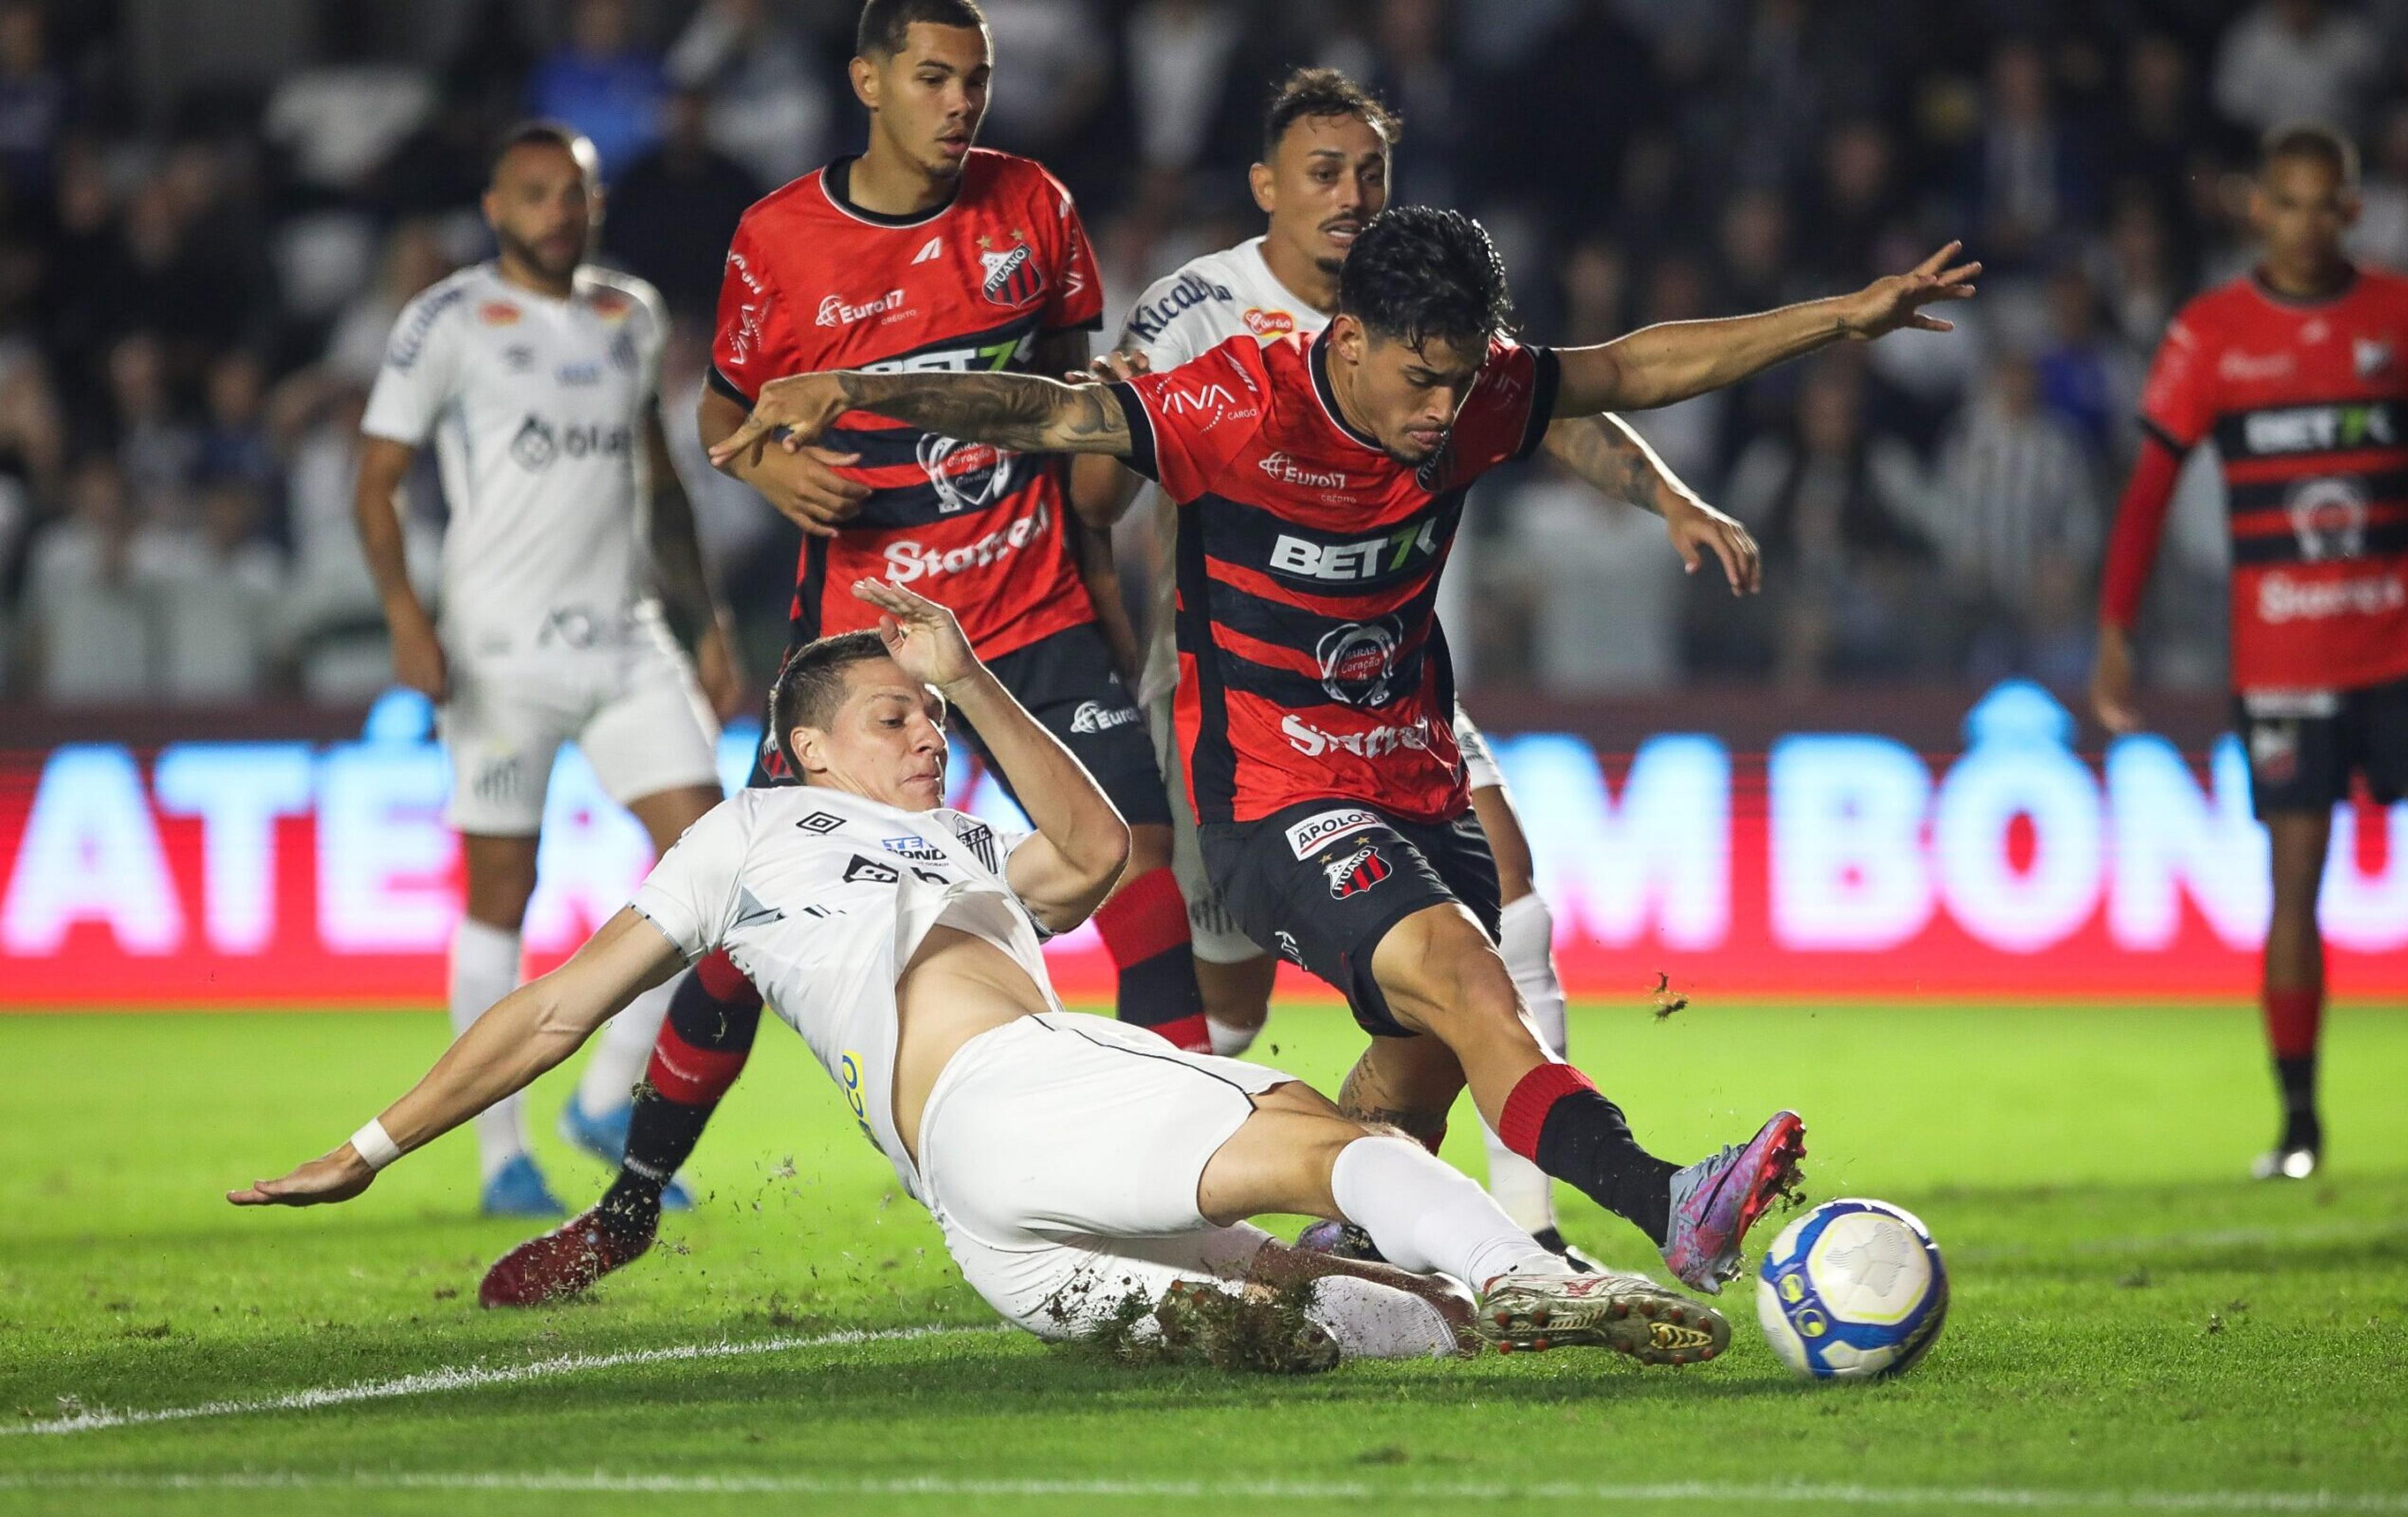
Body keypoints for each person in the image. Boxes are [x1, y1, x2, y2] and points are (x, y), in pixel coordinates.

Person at [709, 206, 1983, 1293]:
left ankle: (1341, 1241)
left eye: (1461, 380)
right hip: (1273, 797)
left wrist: (1845, 315)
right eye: (1420, 380)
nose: (1443, 411)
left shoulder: (1474, 393)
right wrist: (860, 391)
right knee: (1479, 986)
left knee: (1421, 1073)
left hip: (1414, 780)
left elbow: (1635, 368)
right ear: (1351, 341)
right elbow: (1044, 414)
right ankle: (1669, 1204)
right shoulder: (1230, 407)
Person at [228, 582, 1732, 1372]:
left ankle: (1376, 1312)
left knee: (1335, 1299)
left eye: (922, 721)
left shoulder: (953, 843)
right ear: (806, 746)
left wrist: (971, 683)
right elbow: (558, 1011)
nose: (921, 738)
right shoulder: (745, 831)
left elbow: (1088, 848)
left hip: (993, 1227)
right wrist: (374, 1146)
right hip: (1019, 1093)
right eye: (890, 718)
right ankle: (1546, 1273)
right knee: (1349, 1148)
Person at [487, 0, 1210, 1295]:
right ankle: (632, 1203)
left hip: (1030, 601)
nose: (961, 102)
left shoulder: (1032, 207)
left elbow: (1059, 401)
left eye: (976, 79)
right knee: (741, 935)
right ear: (868, 80)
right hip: (864, 638)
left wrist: (1105, 566)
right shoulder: (780, 238)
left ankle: (1186, 1171)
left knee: (1138, 864)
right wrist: (767, 473)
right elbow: (721, 403)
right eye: (934, 77)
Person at [1067, 68, 1760, 1267]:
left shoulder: (1427, 309)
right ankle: (1145, 1202)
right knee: (1241, 1003)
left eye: (1370, 173)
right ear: (1267, 186)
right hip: (1244, 684)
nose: (1351, 196)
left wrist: (1665, 495)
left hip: (1397, 687)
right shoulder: (1202, 310)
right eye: (1325, 173)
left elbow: (1567, 395)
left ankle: (1504, 1226)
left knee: (1496, 926)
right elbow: (1097, 471)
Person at [355, 122, 744, 1216]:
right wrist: (406, 617)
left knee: (711, 864)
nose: (554, 214)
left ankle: (609, 1094)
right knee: (500, 892)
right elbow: (374, 480)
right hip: (498, 648)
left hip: (626, 636)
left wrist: (707, 621)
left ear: (595, 202)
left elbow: (658, 478)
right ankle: (501, 1160)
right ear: (496, 206)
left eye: (570, 195)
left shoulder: (631, 313)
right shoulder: (447, 319)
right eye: (532, 195)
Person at [2091, 123, 2408, 1183]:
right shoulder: (2214, 334)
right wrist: (2117, 631)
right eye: (2287, 202)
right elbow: (2148, 495)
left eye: (2325, 203)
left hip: (2402, 645)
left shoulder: (2404, 319)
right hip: (2282, 661)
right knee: (2294, 883)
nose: (2306, 222)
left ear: (2352, 210)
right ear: (2259, 210)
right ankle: (2299, 1123)